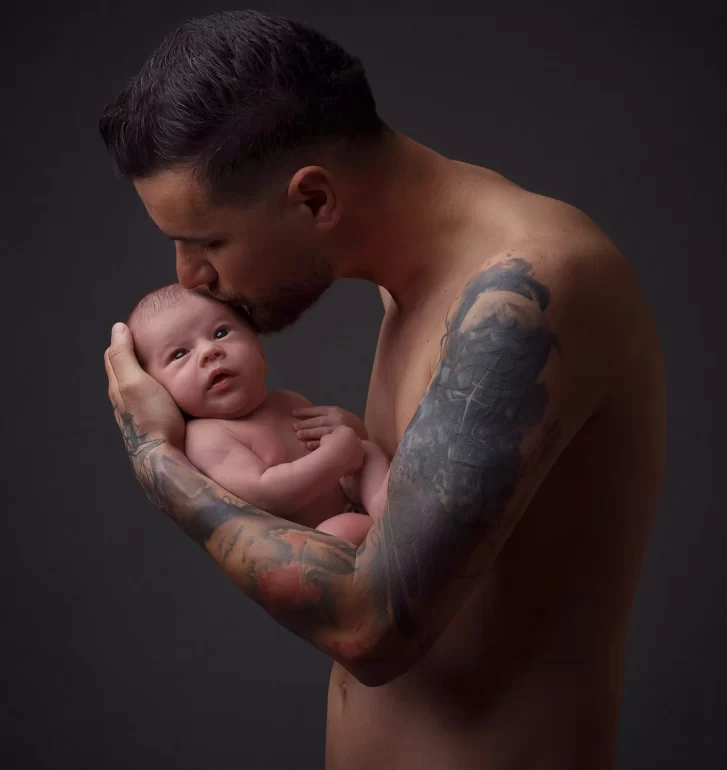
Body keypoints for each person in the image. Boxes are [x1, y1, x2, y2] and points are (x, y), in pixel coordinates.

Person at [100, 10, 666, 770]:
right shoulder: (410, 278)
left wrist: (156, 459)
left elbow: (372, 625)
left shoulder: (522, 295)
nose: (188, 279)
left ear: (314, 200)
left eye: (206, 242)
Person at [127, 283, 389, 546]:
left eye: (221, 332)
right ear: (157, 388)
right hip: (317, 541)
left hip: (353, 502)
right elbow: (267, 494)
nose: (209, 351)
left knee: (368, 452)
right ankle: (391, 532)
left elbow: (350, 451)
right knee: (340, 530)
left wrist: (348, 426)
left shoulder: (288, 401)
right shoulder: (206, 437)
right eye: (179, 354)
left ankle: (388, 510)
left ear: (258, 347)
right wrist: (335, 457)